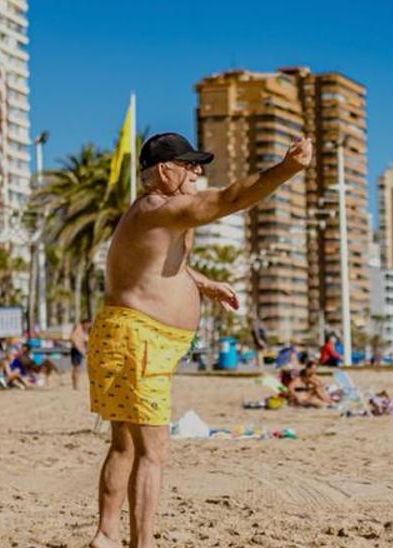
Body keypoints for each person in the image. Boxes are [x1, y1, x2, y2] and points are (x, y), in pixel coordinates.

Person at [87, 132, 311, 548]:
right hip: (140, 340)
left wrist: (203, 283)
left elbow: (152, 265)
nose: (197, 172)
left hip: (124, 333)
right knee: (152, 452)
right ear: (163, 170)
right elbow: (230, 199)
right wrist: (287, 169)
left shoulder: (146, 213)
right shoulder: (162, 208)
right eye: (189, 165)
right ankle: (143, 543)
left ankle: (106, 535)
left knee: (124, 445)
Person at [69, 318, 88, 390]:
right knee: (76, 369)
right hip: (76, 350)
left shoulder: (82, 330)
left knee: (77, 369)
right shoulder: (78, 328)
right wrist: (81, 350)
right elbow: (73, 338)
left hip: (78, 350)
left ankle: (75, 385)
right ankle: (75, 385)